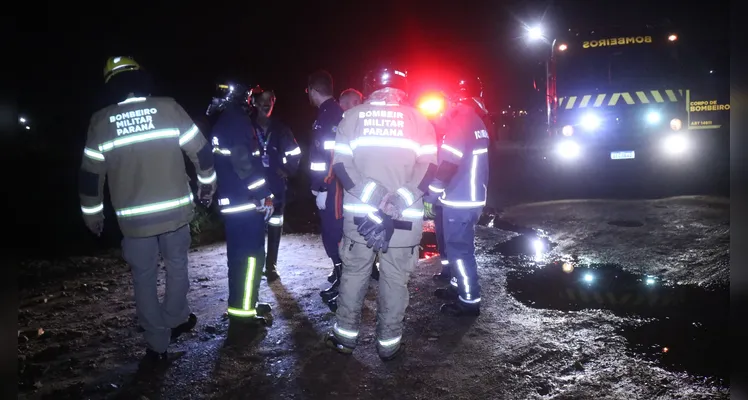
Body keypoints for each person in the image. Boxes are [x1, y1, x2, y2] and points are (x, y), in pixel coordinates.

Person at [79, 56, 215, 362]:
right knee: (177, 265)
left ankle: (157, 345)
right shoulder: (168, 108)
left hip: (134, 221)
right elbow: (201, 152)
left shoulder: (101, 122)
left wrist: (93, 216)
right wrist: (207, 185)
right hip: (175, 214)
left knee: (143, 278)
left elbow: (90, 177)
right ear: (142, 78)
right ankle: (176, 317)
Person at [325, 66, 438, 361]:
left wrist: (371, 195)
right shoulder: (420, 120)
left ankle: (344, 340)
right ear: (403, 88)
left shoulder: (351, 117)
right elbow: (429, 170)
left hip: (360, 219)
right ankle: (389, 345)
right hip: (402, 220)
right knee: (395, 280)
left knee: (354, 275)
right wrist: (398, 200)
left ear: (369, 85)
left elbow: (340, 166)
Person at [207, 83, 275, 325]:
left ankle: (243, 304)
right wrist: (265, 193)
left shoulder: (225, 121)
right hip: (244, 202)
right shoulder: (236, 121)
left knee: (238, 259)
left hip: (233, 201)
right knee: (250, 258)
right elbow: (243, 163)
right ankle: (245, 317)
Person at [426, 77, 490, 317]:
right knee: (459, 249)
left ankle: (468, 300)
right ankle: (457, 286)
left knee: (460, 252)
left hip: (460, 199)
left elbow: (448, 164)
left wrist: (431, 194)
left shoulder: (460, 122)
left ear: (453, 100)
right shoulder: (474, 120)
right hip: (470, 196)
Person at [250, 86, 302, 282]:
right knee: (254, 227)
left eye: (269, 101)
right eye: (261, 100)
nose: (265, 104)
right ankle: (255, 264)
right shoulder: (247, 127)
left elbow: (295, 153)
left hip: (277, 188)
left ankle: (271, 266)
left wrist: (288, 169)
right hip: (254, 189)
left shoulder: (281, 129)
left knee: (274, 226)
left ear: (273, 103)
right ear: (254, 102)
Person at [306, 70, 347, 309]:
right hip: (329, 185)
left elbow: (331, 155)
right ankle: (342, 283)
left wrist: (322, 186)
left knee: (334, 236)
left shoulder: (330, 115)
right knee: (332, 236)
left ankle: (345, 290)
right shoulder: (327, 113)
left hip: (332, 187)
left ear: (313, 90)